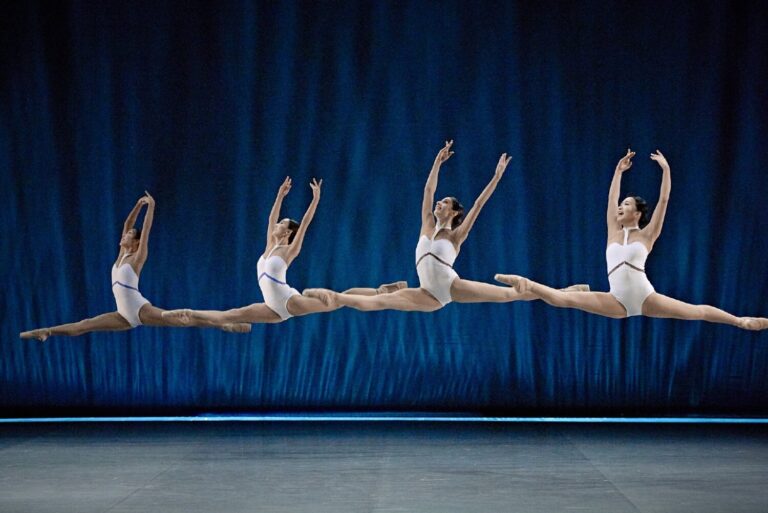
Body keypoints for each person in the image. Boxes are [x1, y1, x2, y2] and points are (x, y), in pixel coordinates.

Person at [495, 149, 768, 330]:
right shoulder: (613, 232)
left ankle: (740, 321)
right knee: (564, 300)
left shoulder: (648, 234)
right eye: (621, 204)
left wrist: (666, 170)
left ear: (637, 213)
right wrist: (618, 172)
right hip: (616, 300)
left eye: (626, 205)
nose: (620, 207)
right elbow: (610, 199)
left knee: (696, 312)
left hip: (645, 295)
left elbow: (664, 200)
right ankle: (528, 283)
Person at [304, 141, 586, 312]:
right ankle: (335, 297)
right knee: (381, 301)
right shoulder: (427, 223)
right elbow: (428, 191)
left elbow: (479, 205)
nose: (438, 203)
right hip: (427, 294)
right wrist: (437, 162)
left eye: (444, 202)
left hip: (451, 286)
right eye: (439, 202)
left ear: (453, 211)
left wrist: (496, 177)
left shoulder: (456, 235)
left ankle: (567, 292)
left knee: (509, 295)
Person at [162, 178, 404, 326]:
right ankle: (189, 314)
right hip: (271, 307)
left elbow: (305, 223)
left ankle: (381, 291)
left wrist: (315, 199)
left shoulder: (289, 250)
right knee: (232, 314)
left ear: (287, 232)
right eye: (279, 223)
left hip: (290, 301)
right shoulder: (269, 246)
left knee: (339, 299)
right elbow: (270, 219)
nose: (276, 225)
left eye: (281, 224)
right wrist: (279, 195)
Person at [20, 192, 250, 341]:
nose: (124, 235)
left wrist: (151, 207)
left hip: (140, 309)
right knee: (84, 325)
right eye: (126, 234)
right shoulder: (121, 254)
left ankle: (227, 324)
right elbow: (128, 223)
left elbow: (145, 229)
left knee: (183, 320)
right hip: (123, 315)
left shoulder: (137, 257)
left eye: (129, 235)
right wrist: (137, 205)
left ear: (136, 242)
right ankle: (47, 331)